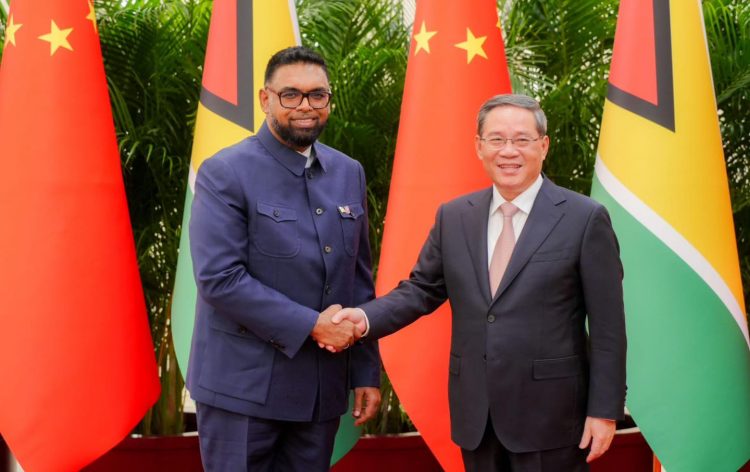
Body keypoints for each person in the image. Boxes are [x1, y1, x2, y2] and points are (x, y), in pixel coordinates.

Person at [332, 94, 626, 471]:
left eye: (522, 139)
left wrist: (604, 410)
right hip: (477, 415)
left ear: (543, 145)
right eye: (496, 139)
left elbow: (608, 328)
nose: (509, 151)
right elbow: (420, 290)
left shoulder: (585, 219)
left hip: (552, 417)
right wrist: (363, 319)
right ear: (479, 146)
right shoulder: (455, 217)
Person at [186, 46, 381, 471]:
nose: (305, 107)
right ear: (265, 99)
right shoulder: (225, 172)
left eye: (318, 96)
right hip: (243, 392)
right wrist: (313, 325)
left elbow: (358, 280)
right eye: (290, 95)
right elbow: (221, 278)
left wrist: (365, 371)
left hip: (319, 393)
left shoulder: (349, 172)